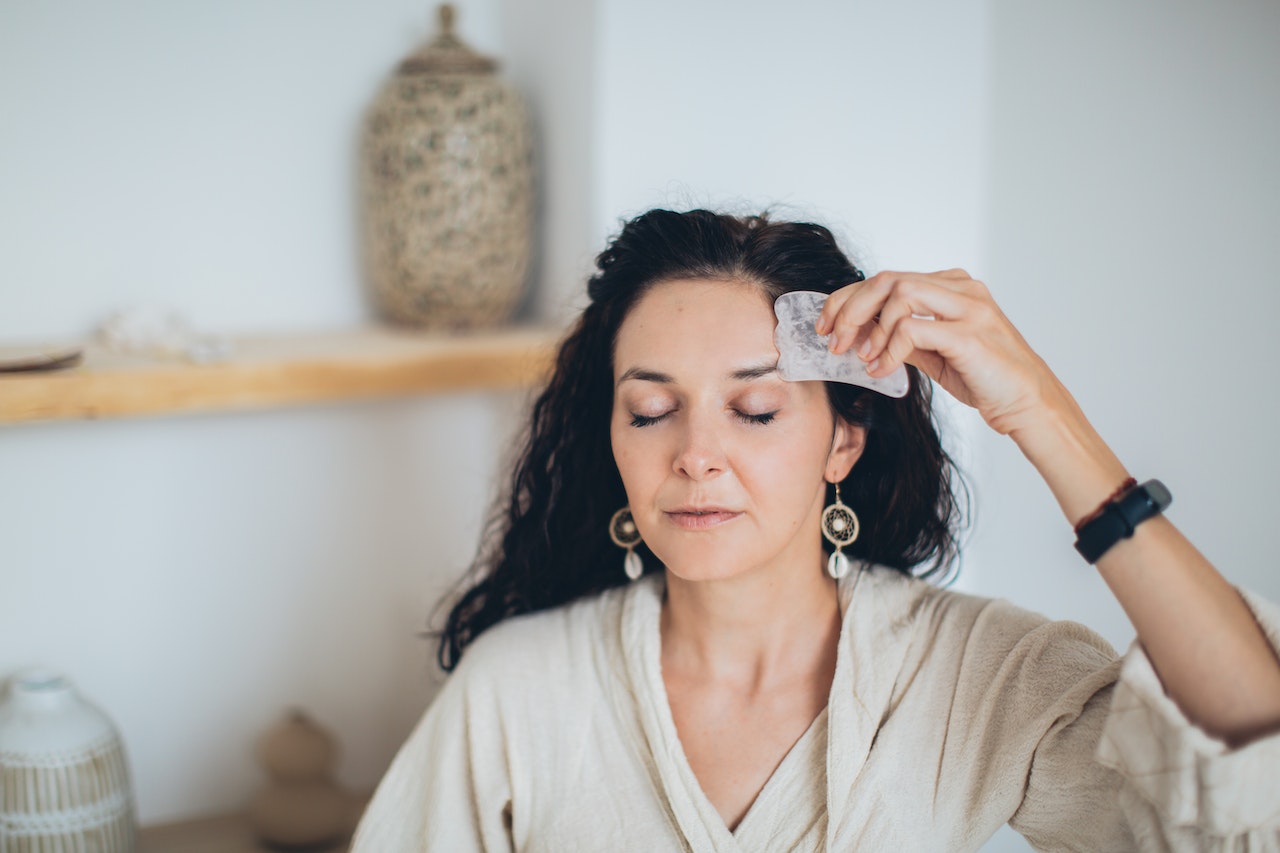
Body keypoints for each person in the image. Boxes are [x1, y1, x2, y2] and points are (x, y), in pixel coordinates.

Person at [351, 209, 1280, 851]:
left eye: (754, 408)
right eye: (649, 410)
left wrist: (1039, 411)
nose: (696, 454)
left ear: (843, 438)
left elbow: (1252, 790)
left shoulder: (973, 680)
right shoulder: (518, 689)